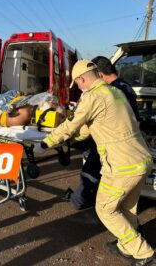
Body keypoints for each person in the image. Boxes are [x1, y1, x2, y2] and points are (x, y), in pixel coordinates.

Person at [35, 59, 155, 265]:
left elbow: (70, 125)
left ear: (82, 79)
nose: (79, 88)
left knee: (105, 209)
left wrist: (45, 144)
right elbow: (88, 128)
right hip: (141, 160)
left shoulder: (92, 96)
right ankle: (126, 246)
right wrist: (72, 140)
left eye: (78, 84)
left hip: (122, 165)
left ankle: (144, 253)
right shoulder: (114, 92)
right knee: (126, 207)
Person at [64, 56, 141, 210]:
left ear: (98, 74)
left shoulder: (112, 90)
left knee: (91, 169)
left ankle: (80, 200)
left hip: (113, 142)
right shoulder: (124, 86)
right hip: (127, 138)